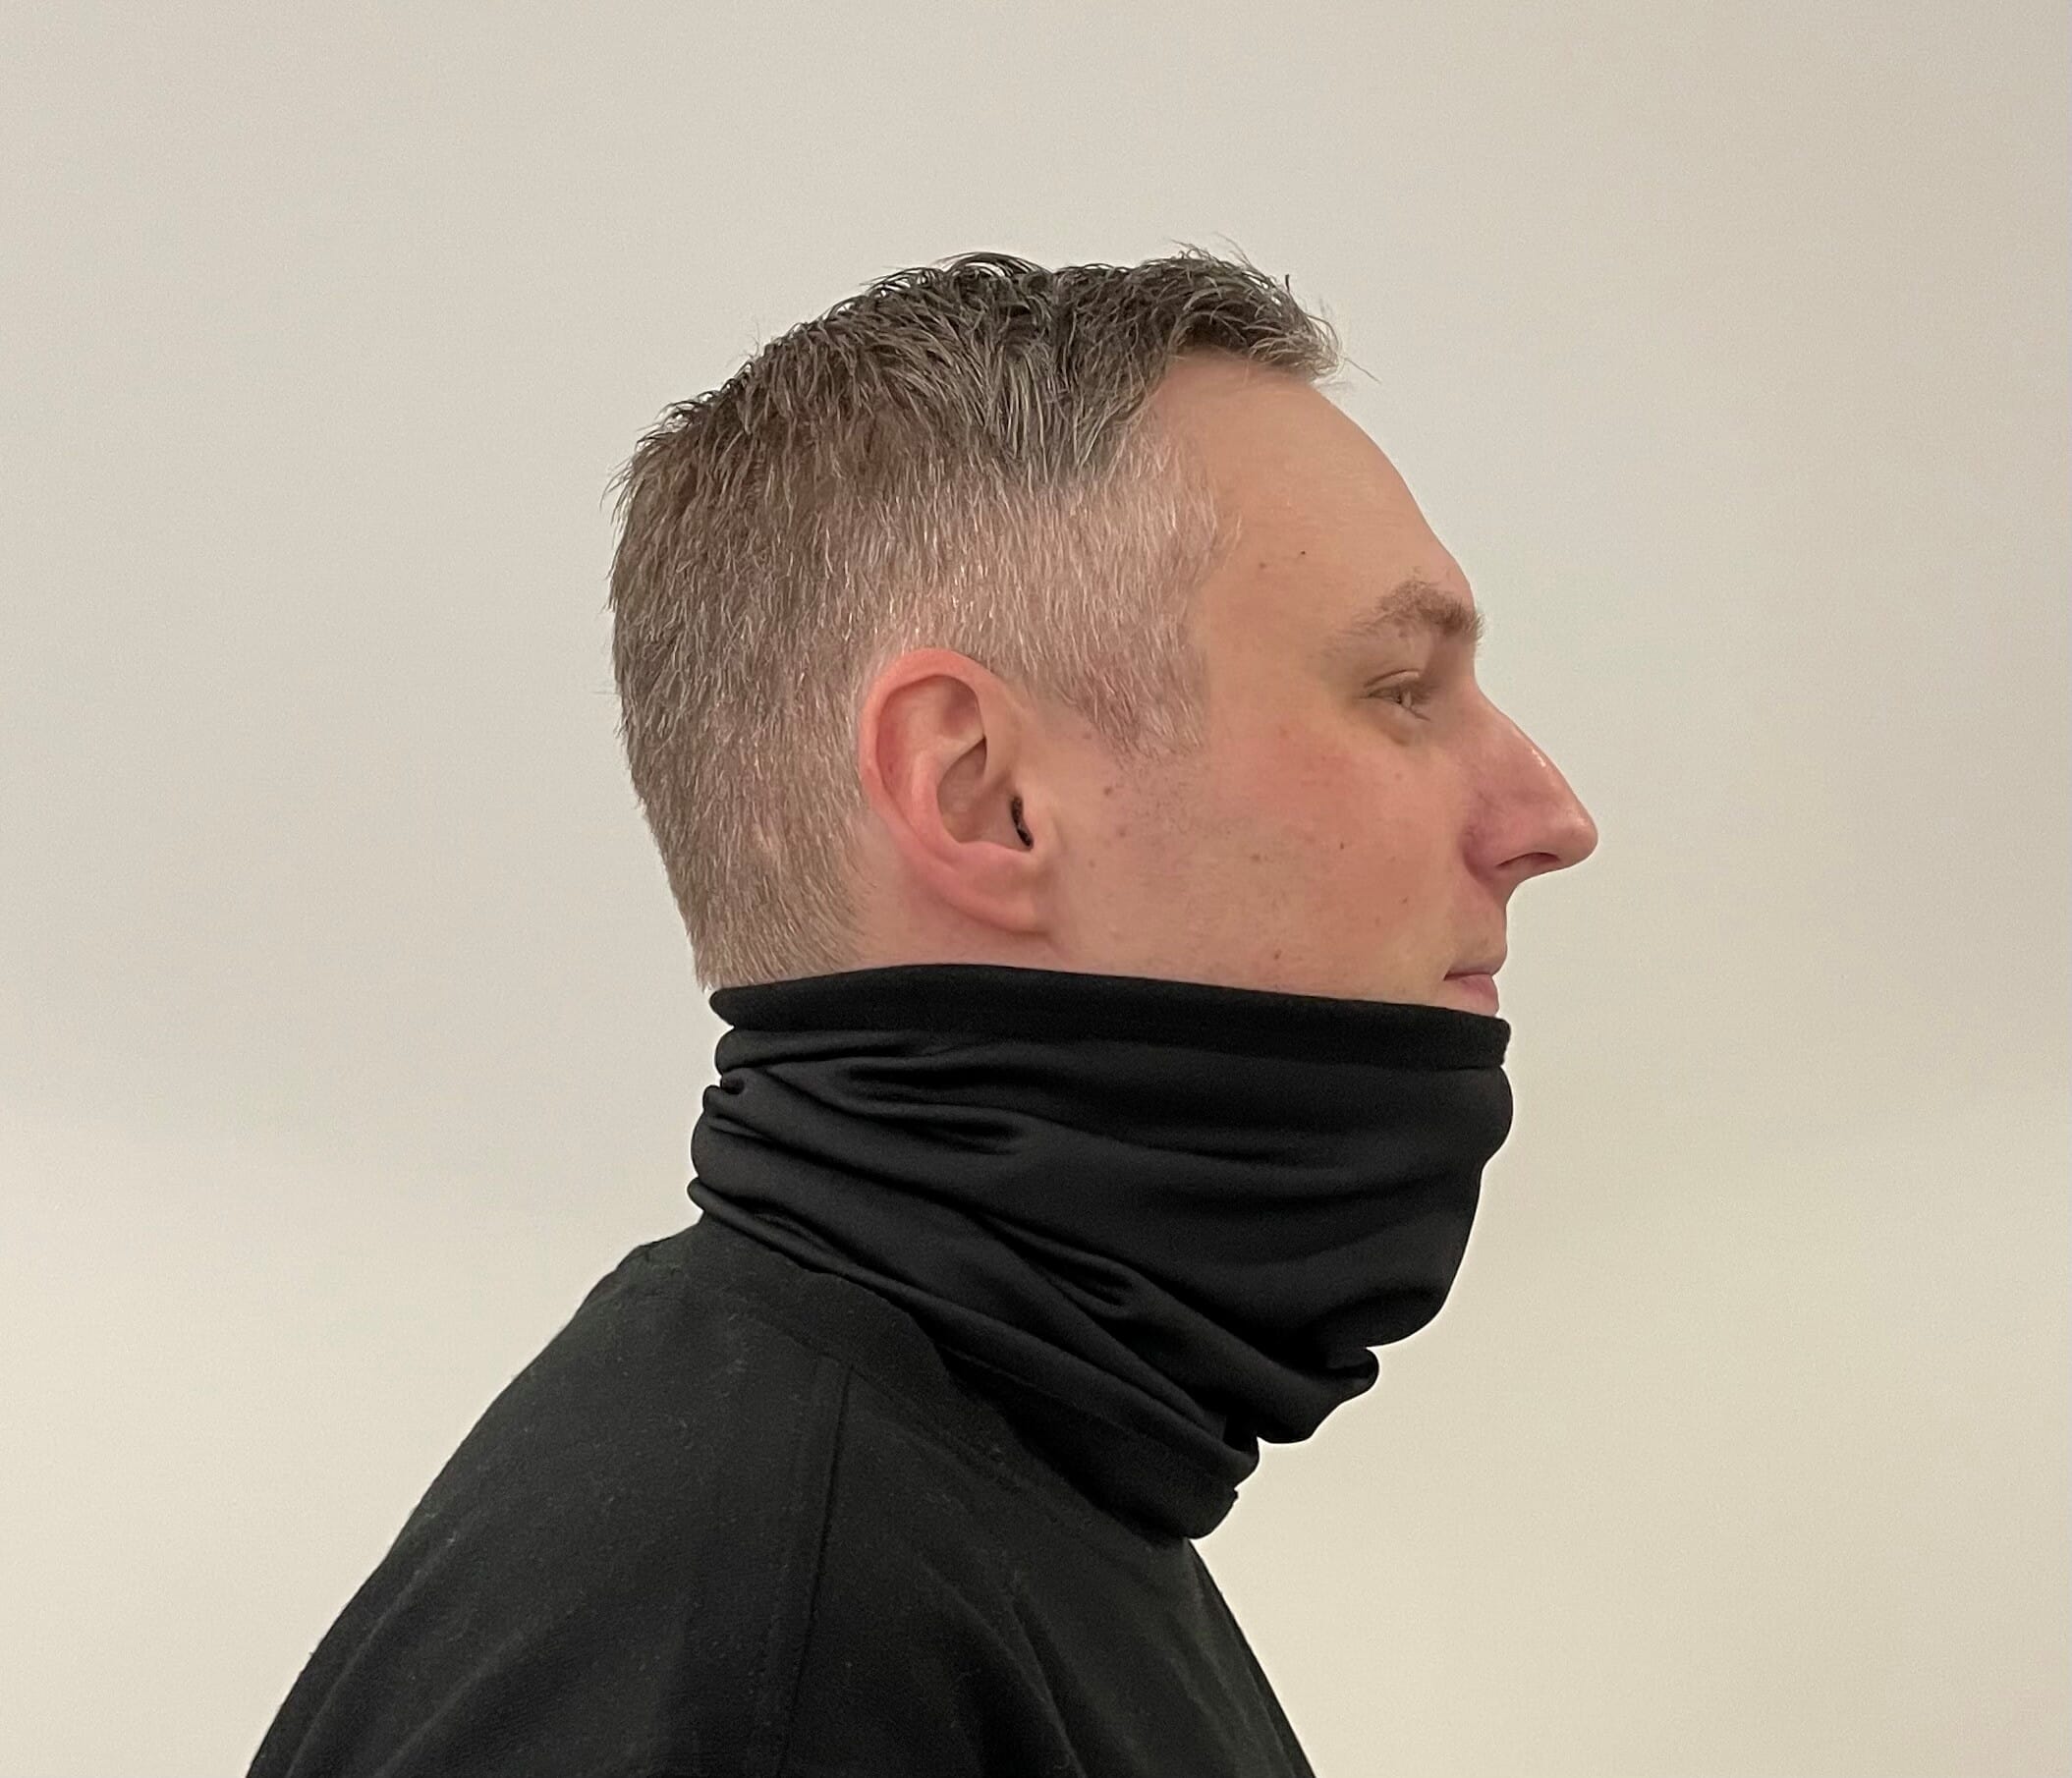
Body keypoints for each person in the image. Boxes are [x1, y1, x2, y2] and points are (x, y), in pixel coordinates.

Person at [245, 247, 1598, 1778]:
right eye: (1403, 688)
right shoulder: (772, 1646)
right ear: (980, 792)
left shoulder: (980, 1471)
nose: (1546, 816)